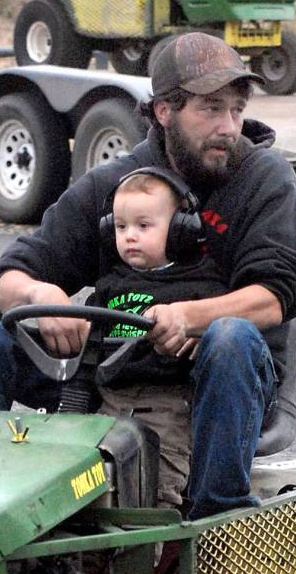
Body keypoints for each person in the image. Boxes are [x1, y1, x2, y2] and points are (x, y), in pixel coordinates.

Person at [0, 31, 296, 519]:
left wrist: (187, 317)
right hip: (114, 376)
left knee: (230, 336)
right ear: (164, 112)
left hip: (221, 379)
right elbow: (4, 278)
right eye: (211, 109)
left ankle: (215, 514)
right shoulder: (117, 184)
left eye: (236, 109)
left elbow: (276, 296)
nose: (228, 125)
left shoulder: (265, 179)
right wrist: (43, 292)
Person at [93, 166, 229, 511]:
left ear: (181, 230)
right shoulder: (111, 284)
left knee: (153, 489)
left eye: (143, 226)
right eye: (121, 227)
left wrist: (201, 330)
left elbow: (223, 333)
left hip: (167, 407)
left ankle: (146, 561)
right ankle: (88, 564)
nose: (130, 237)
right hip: (108, 402)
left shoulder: (201, 286)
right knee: (89, 489)